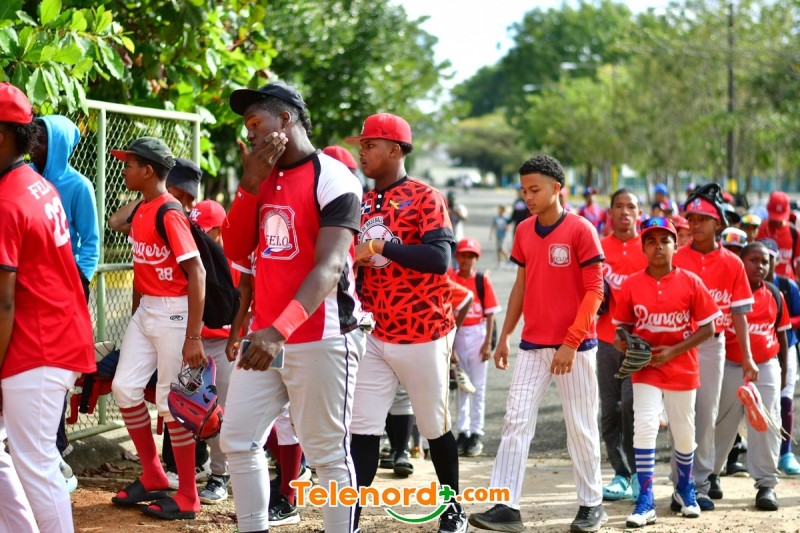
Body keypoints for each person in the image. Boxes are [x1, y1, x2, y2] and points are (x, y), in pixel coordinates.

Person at [220, 81, 367, 533]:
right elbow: (236, 249)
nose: (250, 133)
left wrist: (279, 330)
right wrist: (248, 185)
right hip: (265, 337)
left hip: (322, 337)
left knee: (327, 455)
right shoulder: (260, 178)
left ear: (285, 119)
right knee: (237, 440)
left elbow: (330, 266)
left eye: (255, 122)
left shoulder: (334, 177)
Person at [469, 155, 607, 533]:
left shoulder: (581, 230)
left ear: (557, 188)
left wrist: (571, 342)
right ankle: (505, 507)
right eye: (524, 190)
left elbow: (595, 291)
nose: (528, 197)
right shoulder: (524, 230)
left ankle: (591, 505)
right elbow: (521, 286)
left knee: (580, 427)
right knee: (515, 421)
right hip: (532, 344)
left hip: (576, 348)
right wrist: (504, 336)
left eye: (535, 189)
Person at [345, 112, 466, 533]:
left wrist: (380, 246)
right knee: (362, 429)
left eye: (370, 145)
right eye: (361, 145)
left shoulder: (425, 197)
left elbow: (439, 259)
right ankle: (350, 518)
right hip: (374, 331)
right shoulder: (360, 202)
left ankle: (453, 509)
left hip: (423, 331)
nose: (363, 152)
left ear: (395, 150)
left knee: (434, 427)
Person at [0, 82, 96, 532]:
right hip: (49, 334)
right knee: (24, 456)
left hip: (36, 344)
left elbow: (4, 302)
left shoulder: (8, 198)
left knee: (36, 461)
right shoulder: (36, 185)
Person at [108, 137, 207, 521]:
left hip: (175, 313)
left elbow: (196, 272)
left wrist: (193, 336)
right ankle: (153, 473)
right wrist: (138, 315)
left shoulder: (169, 212)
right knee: (124, 387)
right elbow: (120, 227)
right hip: (148, 309)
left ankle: (188, 496)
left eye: (130, 164)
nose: (124, 170)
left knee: (172, 403)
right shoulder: (145, 208)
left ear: (148, 170)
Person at [613, 216, 721, 527]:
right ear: (643, 248)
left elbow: (709, 328)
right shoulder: (632, 284)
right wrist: (623, 343)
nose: (658, 246)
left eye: (665, 240)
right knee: (645, 424)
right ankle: (645, 499)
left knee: (684, 432)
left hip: (681, 365)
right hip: (645, 367)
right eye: (651, 241)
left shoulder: (690, 281)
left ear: (676, 246)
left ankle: (684, 489)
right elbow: (622, 327)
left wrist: (674, 350)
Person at [672, 189, 756, 511]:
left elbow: (739, 313)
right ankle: (679, 484)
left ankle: (701, 484)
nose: (695, 225)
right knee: (681, 415)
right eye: (691, 219)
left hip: (712, 347)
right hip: (680, 345)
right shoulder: (677, 257)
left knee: (706, 416)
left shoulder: (732, 262)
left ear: (718, 223)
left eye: (703, 219)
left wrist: (747, 356)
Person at [28, 114, 100, 489]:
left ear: (58, 145)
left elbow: (91, 241)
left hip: (63, 290)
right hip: (28, 288)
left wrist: (79, 280)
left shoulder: (78, 185)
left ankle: (55, 447)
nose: (33, 144)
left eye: (42, 139)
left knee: (54, 368)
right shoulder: (25, 180)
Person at [711, 241, 789, 511]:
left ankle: (766, 485)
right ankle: (712, 474)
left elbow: (782, 336)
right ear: (740, 263)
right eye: (753, 260)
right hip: (730, 364)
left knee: (766, 422)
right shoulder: (727, 293)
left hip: (765, 365)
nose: (760, 266)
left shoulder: (775, 294)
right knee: (722, 422)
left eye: (765, 261)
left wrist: (782, 373)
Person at [183, 199, 237, 505]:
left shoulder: (233, 258)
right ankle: (197, 466)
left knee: (220, 411)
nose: (200, 237)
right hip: (196, 343)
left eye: (205, 231)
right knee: (192, 408)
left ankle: (220, 475)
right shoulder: (191, 257)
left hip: (226, 343)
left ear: (219, 229)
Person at [596, 189, 648, 502]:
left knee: (631, 406)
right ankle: (620, 473)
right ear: (610, 211)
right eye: (618, 206)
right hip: (604, 340)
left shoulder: (649, 247)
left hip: (639, 344)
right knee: (609, 410)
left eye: (631, 206)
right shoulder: (598, 248)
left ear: (639, 213)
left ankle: (639, 473)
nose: (625, 212)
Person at [448, 238, 501, 457]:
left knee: (478, 386)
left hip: (478, 333)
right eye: (463, 255)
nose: (466, 260)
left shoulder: (481, 280)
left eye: (471, 256)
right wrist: (451, 347)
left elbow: (490, 314)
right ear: (457, 256)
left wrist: (488, 343)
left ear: (476, 258)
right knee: (462, 384)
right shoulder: (450, 277)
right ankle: (463, 431)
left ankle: (476, 432)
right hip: (457, 333)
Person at [760, 238, 800, 476]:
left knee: (785, 396)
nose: (764, 264)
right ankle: (742, 452)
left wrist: (780, 319)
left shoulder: (786, 285)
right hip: (758, 348)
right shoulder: (747, 284)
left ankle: (786, 453)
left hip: (787, 346)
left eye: (769, 259)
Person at [108, 157, 201, 234]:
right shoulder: (160, 213)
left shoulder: (201, 216)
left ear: (183, 188)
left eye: (167, 184)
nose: (163, 188)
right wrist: (152, 198)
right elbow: (114, 222)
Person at [756, 192, 800, 280]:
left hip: (787, 283)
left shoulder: (795, 233)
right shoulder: (760, 229)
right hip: (764, 282)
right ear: (768, 209)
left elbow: (798, 263)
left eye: (780, 218)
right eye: (774, 216)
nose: (776, 221)